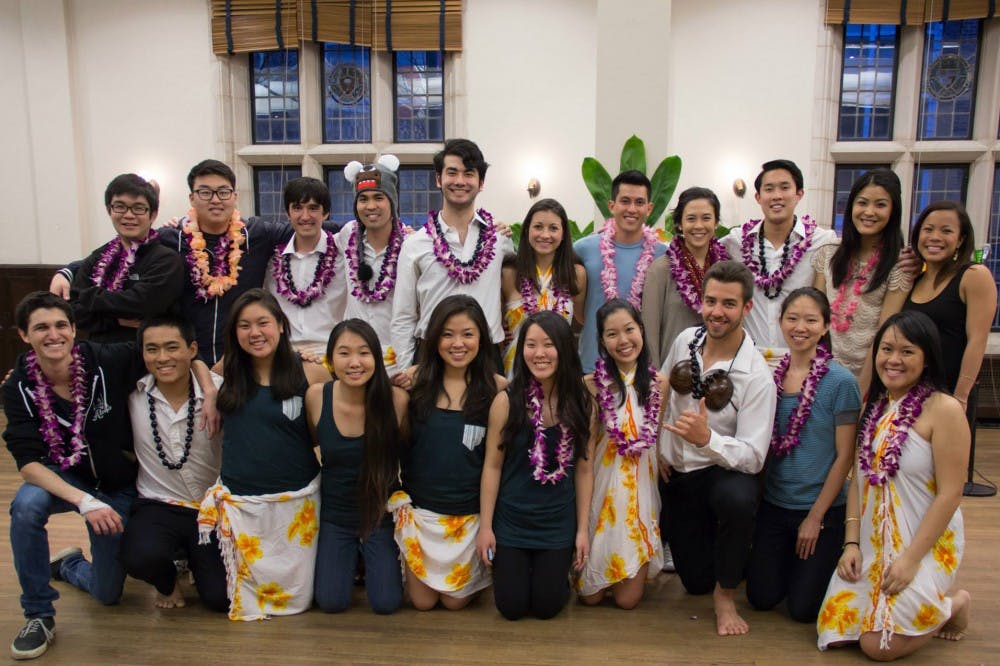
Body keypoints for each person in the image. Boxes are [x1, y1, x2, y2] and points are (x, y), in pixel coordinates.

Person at [3, 292, 214, 659]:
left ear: (73, 329)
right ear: (24, 335)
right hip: (64, 480)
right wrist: (85, 502)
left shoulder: (105, 360)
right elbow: (27, 463)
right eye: (41, 328)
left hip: (116, 486)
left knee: (107, 594)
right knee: (26, 507)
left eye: (60, 325)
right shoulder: (17, 387)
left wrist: (209, 390)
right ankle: (38, 614)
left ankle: (70, 565)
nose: (53, 335)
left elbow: (177, 355)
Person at [52, 160, 332, 364]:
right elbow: (121, 249)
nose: (215, 200)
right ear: (192, 198)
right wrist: (68, 271)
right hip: (187, 359)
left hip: (242, 357)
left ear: (235, 197)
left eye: (223, 192)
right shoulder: (170, 238)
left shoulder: (258, 234)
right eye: (205, 192)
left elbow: (315, 226)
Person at [817, 311, 971, 660]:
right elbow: (858, 481)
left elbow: (951, 493)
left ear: (927, 358)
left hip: (925, 543)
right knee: (834, 631)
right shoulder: (874, 409)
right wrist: (851, 544)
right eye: (886, 349)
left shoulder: (944, 409)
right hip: (874, 543)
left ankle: (954, 605)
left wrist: (911, 560)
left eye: (907, 351)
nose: (893, 360)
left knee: (878, 646)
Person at [197, 289, 331, 620]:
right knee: (217, 597)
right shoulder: (229, 369)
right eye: (244, 326)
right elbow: (195, 363)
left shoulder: (311, 372)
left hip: (295, 504)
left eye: (263, 323)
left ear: (281, 325)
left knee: (306, 600)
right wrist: (211, 391)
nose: (255, 333)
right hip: (242, 504)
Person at [659, 260, 776, 636]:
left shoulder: (757, 376)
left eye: (729, 304)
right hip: (679, 475)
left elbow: (754, 457)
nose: (717, 312)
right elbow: (663, 392)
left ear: (747, 308)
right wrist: (659, 448)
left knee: (737, 499)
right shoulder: (685, 341)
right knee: (694, 582)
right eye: (711, 301)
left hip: (723, 475)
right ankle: (728, 558)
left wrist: (707, 440)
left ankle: (725, 594)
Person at [745, 288, 860, 623]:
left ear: (826, 326)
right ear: (780, 322)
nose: (800, 327)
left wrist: (815, 517)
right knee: (761, 598)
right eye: (792, 318)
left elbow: (845, 457)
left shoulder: (841, 382)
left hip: (821, 509)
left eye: (811, 320)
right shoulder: (770, 378)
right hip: (776, 504)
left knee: (803, 611)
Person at [390, 295, 507, 610]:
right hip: (422, 515)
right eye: (447, 334)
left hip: (469, 517)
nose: (458, 344)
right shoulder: (415, 384)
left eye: (467, 334)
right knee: (422, 602)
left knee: (455, 604)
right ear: (434, 339)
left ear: (481, 338)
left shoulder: (497, 389)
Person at [478, 311, 594, 620]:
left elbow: (584, 469)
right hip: (512, 521)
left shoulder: (582, 403)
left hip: (557, 522)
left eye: (548, 344)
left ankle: (552, 576)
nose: (539, 353)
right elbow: (492, 467)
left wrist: (582, 531)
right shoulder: (506, 402)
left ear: (564, 349)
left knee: (546, 607)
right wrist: (486, 528)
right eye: (531, 345)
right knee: (511, 608)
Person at [119, 315, 228, 612]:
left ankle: (194, 560)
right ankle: (167, 582)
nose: (162, 358)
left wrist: (209, 388)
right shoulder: (131, 393)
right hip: (159, 503)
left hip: (213, 507)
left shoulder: (220, 392)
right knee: (139, 557)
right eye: (152, 349)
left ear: (192, 349)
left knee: (220, 599)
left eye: (172, 347)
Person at [306, 319, 408, 614]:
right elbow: (311, 441)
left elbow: (409, 453)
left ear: (377, 356)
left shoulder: (397, 400)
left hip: (379, 515)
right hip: (335, 515)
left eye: (364, 353)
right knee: (331, 602)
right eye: (344, 353)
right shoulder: (316, 397)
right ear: (330, 358)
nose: (354, 362)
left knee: (386, 603)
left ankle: (369, 559)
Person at [390, 139, 515, 377]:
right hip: (431, 357)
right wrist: (408, 371)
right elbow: (403, 316)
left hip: (485, 358)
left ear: (481, 183)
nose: (460, 181)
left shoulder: (500, 240)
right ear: (438, 179)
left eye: (468, 174)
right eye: (452, 172)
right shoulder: (415, 244)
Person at [577, 298, 666, 609]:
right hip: (601, 490)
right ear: (602, 341)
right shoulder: (590, 385)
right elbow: (585, 457)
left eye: (629, 330)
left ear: (641, 329)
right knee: (589, 597)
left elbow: (656, 440)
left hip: (639, 493)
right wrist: (580, 527)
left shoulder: (659, 383)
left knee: (628, 601)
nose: (623, 340)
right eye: (612, 334)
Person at [722, 159, 836, 364]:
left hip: (801, 362)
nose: (777, 196)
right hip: (749, 361)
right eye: (769, 189)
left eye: (785, 187)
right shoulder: (736, 241)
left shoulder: (823, 241)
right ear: (758, 197)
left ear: (799, 194)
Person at [812, 169, 912, 396]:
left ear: (893, 211)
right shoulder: (828, 254)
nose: (869, 212)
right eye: (862, 202)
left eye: (880, 205)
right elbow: (815, 319)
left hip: (872, 377)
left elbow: (885, 334)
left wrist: (861, 391)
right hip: (824, 374)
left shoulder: (899, 264)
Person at [902, 201, 996, 425]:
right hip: (910, 394)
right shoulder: (914, 279)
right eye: (928, 229)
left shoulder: (974, 275)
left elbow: (977, 340)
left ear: (960, 240)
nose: (935, 237)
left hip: (949, 393)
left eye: (946, 231)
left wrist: (960, 397)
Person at [69, 174, 185, 341]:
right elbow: (74, 311)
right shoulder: (98, 257)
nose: (129, 215)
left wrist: (91, 296)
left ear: (153, 215)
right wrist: (114, 320)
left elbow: (142, 304)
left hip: (146, 352)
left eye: (138, 208)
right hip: (98, 351)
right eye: (120, 207)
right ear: (109, 210)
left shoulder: (166, 259)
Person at [574, 171, 666, 372]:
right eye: (625, 201)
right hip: (592, 365)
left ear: (649, 208)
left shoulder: (663, 255)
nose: (632, 209)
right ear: (611, 205)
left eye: (639, 202)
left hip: (641, 368)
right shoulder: (583, 248)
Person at [333, 156, 408, 374]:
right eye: (363, 199)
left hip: (396, 361)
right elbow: (312, 234)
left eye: (379, 197)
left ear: (392, 202)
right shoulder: (347, 235)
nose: (371, 206)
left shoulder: (410, 245)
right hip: (353, 361)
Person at [642, 186, 729, 371]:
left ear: (716, 223)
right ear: (679, 224)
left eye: (706, 218)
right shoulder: (661, 270)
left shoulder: (726, 269)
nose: (699, 226)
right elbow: (650, 334)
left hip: (719, 373)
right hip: (674, 373)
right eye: (691, 219)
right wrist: (655, 379)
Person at [499, 199, 586, 376]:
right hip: (515, 371)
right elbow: (495, 324)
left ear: (563, 234)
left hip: (560, 371)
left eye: (553, 228)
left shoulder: (576, 274)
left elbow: (583, 320)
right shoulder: (509, 273)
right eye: (538, 227)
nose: (545, 235)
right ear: (527, 230)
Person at [265, 176, 346, 356]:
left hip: (331, 354)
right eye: (297, 208)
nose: (305, 216)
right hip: (283, 356)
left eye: (313, 208)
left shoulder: (344, 255)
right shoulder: (272, 262)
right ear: (288, 213)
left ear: (325, 213)